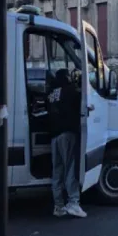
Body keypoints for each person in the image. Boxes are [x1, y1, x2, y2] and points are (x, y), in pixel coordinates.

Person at [46, 69, 87, 218]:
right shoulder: (70, 91)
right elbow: (83, 102)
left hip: (54, 136)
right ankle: (73, 203)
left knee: (57, 171)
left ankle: (58, 206)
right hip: (67, 134)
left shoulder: (51, 94)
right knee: (70, 168)